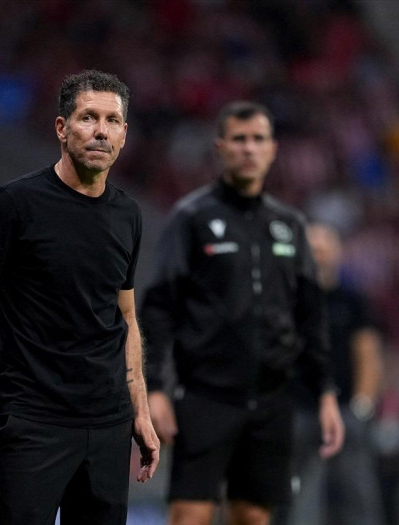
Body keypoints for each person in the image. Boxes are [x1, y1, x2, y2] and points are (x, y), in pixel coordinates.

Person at [0, 69, 159, 525]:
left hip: (107, 423)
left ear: (124, 134)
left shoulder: (127, 215)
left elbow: (125, 317)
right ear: (61, 127)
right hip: (34, 420)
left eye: (112, 121)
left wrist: (141, 410)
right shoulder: (17, 203)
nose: (100, 130)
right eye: (88, 117)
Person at [141, 101, 345, 525]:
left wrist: (325, 391)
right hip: (205, 397)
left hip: (272, 401)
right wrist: (155, 388)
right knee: (188, 514)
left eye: (258, 140)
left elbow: (311, 317)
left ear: (272, 150)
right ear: (220, 147)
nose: (249, 149)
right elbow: (159, 307)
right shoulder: (191, 218)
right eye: (239, 139)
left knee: (254, 516)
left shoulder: (289, 226)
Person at [280, 223, 384, 525]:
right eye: (313, 251)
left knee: (353, 495)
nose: (319, 256)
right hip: (296, 410)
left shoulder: (353, 301)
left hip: (342, 412)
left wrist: (362, 406)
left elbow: (368, 354)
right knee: (280, 490)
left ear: (338, 254)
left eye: (325, 250)